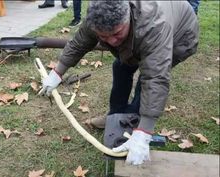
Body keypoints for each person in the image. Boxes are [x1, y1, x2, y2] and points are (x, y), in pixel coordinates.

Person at [40, 1, 199, 165]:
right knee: (120, 66)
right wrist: (57, 73)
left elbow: (156, 79)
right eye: (103, 37)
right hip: (141, 31)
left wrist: (145, 132)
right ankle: (115, 118)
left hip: (180, 34)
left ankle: (135, 126)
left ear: (127, 17)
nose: (112, 42)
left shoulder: (154, 25)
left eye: (116, 34)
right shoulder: (96, 16)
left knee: (145, 79)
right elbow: (80, 42)